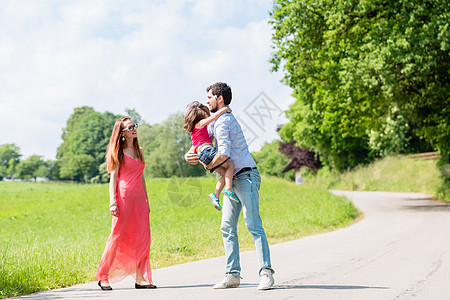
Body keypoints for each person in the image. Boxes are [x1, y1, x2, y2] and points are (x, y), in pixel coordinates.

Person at [184, 82, 275, 290]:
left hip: (245, 176)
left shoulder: (224, 122)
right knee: (227, 226)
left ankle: (266, 273)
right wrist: (190, 154)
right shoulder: (215, 122)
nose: (207, 101)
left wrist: (206, 164)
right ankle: (233, 274)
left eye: (209, 97)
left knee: (253, 224)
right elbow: (200, 140)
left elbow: (223, 154)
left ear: (220, 99)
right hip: (231, 179)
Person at [95, 116, 156, 290]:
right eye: (130, 128)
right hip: (123, 199)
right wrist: (112, 202)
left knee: (142, 238)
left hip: (139, 201)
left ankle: (140, 278)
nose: (134, 129)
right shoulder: (118, 152)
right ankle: (104, 276)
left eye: (134, 126)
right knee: (117, 237)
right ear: (122, 133)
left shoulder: (140, 151)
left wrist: (147, 200)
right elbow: (113, 179)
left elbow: (141, 177)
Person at [183, 101, 239, 211]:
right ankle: (229, 189)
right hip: (207, 151)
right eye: (206, 114)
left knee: (224, 174)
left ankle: (215, 195)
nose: (208, 116)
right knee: (231, 165)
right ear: (200, 116)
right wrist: (224, 109)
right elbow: (213, 118)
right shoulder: (200, 123)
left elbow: (199, 143)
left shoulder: (194, 131)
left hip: (202, 155)